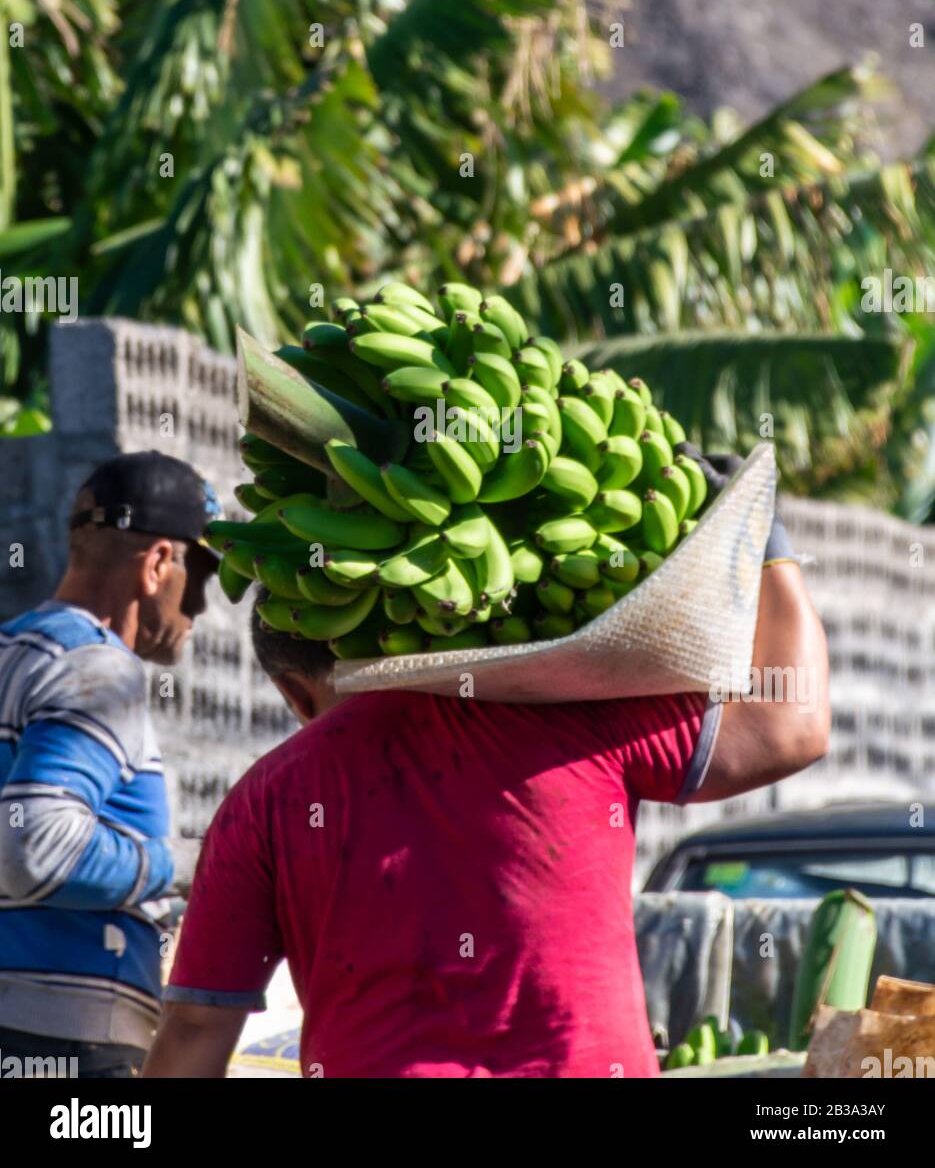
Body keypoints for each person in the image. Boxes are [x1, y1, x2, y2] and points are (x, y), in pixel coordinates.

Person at [144, 453, 829, 1079]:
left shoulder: (268, 798)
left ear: (295, 690)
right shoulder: (572, 716)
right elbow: (792, 727)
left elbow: (197, 1030)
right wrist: (764, 536)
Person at [0, 451, 220, 1078]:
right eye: (200, 576)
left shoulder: (14, 651)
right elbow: (36, 850)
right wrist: (189, 861)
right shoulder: (99, 669)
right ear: (157, 564)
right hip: (64, 1047)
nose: (201, 608)